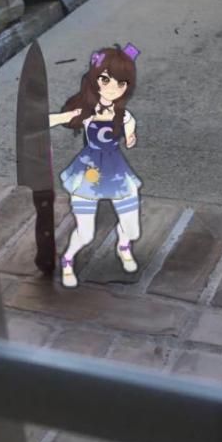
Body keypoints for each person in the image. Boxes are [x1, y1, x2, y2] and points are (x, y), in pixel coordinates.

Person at [48, 43, 142, 288]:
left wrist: (130, 135)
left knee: (133, 230)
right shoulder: (87, 112)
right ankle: (68, 259)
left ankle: (124, 245)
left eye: (121, 83)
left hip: (117, 171)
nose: (113, 88)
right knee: (85, 233)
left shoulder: (123, 114)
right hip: (88, 172)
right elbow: (57, 119)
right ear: (94, 80)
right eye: (106, 80)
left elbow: (130, 123)